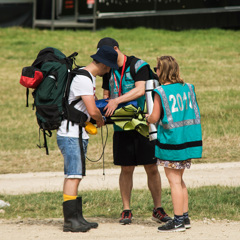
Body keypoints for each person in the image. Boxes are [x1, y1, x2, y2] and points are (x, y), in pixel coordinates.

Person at [97, 37, 171, 225]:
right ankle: (126, 210)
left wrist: (116, 100)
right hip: (121, 125)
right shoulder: (108, 68)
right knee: (126, 168)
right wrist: (104, 103)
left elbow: (140, 90)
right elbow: (106, 93)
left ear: (116, 48)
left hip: (143, 124)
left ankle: (158, 209)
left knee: (151, 167)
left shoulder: (139, 65)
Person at [57, 45, 119, 232]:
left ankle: (77, 217)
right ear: (105, 64)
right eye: (109, 67)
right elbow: (92, 111)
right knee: (73, 175)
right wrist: (100, 120)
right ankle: (70, 221)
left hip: (76, 133)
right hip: (71, 133)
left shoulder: (85, 76)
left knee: (77, 175)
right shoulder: (84, 79)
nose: (108, 71)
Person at [145, 56, 202, 232]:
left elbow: (154, 117)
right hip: (188, 140)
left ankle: (177, 221)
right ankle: (184, 217)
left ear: (163, 71)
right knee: (180, 179)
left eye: (157, 68)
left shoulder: (161, 91)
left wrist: (148, 118)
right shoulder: (189, 88)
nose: (155, 71)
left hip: (172, 141)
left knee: (174, 181)